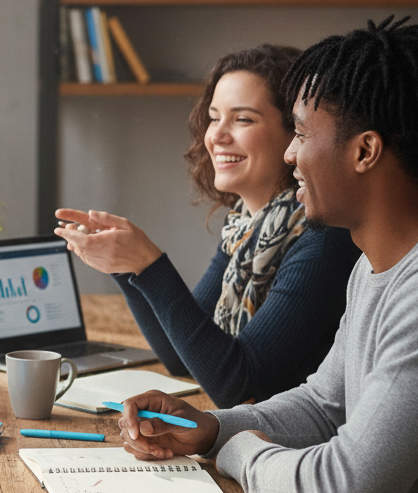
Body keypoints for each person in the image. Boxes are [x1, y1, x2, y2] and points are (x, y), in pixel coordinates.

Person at [115, 16, 418, 493]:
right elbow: (321, 405)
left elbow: (344, 490)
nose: (288, 154)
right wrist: (210, 428)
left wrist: (239, 452)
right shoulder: (373, 270)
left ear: (365, 150)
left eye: (301, 132)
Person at [55, 44, 359, 408]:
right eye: (214, 117)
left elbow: (235, 383)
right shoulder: (245, 232)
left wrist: (149, 265)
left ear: (293, 133)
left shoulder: (323, 241)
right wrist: (124, 264)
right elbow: (181, 356)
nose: (216, 135)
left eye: (242, 119)